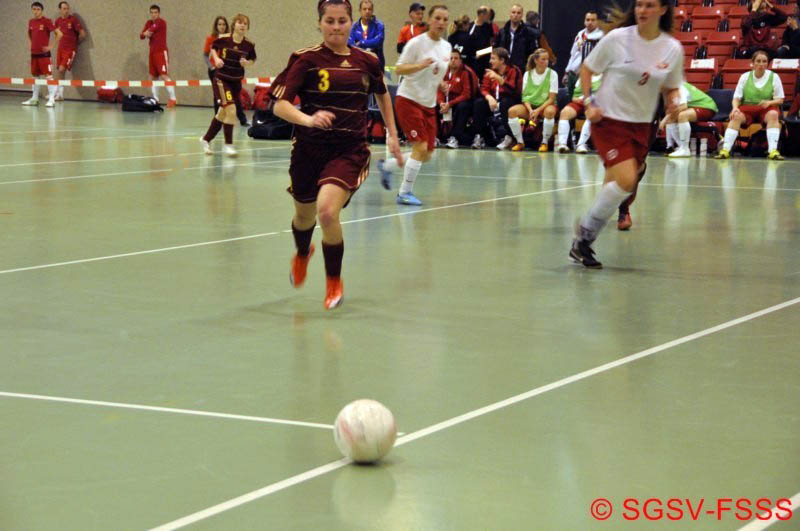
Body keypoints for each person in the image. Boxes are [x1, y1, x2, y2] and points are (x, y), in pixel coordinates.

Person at [270, 0, 403, 310]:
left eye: (342, 20)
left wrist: (393, 134)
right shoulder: (305, 59)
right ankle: (303, 253)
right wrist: (308, 119)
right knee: (304, 216)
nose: (336, 27)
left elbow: (382, 94)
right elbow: (280, 105)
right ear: (320, 23)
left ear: (350, 23)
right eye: (329, 21)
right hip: (308, 150)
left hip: (348, 150)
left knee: (327, 212)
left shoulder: (366, 61)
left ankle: (333, 281)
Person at [571, 0, 683, 268]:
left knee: (615, 184)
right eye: (639, 5)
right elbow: (587, 69)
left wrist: (674, 100)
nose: (642, 10)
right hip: (609, 119)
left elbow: (671, 86)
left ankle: (583, 242)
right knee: (627, 179)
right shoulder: (618, 39)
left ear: (663, 10)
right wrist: (589, 102)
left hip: (642, 124)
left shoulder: (672, 48)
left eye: (649, 5)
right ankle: (583, 235)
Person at [379, 5, 451, 206]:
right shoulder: (416, 43)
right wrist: (419, 65)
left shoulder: (446, 47)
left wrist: (441, 83)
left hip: (429, 104)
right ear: (429, 19)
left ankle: (388, 166)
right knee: (419, 146)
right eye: (437, 18)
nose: (441, 23)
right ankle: (404, 193)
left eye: (445, 19)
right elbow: (399, 68)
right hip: (409, 100)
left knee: (426, 154)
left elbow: (436, 71)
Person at [200, 14, 256, 157]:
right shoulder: (224, 39)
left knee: (222, 113)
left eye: (245, 23)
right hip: (221, 79)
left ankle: (205, 139)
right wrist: (216, 59)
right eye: (240, 22)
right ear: (234, 25)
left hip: (236, 82)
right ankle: (228, 145)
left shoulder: (249, 45)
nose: (242, 25)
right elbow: (213, 48)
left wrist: (247, 63)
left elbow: (253, 59)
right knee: (231, 110)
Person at [715, 50, 784, 160]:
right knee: (735, 116)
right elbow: (736, 98)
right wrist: (735, 108)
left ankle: (772, 151)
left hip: (765, 108)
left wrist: (769, 102)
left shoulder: (774, 77)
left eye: (764, 61)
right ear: (753, 63)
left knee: (773, 115)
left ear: (768, 63)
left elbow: (780, 99)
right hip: (747, 108)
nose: (761, 64)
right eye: (758, 61)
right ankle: (725, 150)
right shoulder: (745, 77)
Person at [504, 48, 557, 152]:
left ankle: (544, 142)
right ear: (536, 60)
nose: (546, 61)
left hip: (545, 106)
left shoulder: (553, 74)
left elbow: (551, 99)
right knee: (512, 111)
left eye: (547, 59)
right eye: (543, 59)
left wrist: (538, 110)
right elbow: (525, 97)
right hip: (530, 107)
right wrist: (530, 110)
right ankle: (520, 142)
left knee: (550, 112)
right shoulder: (527, 74)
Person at [470, 47, 522, 150]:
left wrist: (499, 78)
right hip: (494, 101)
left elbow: (514, 91)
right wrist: (489, 97)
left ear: (502, 60)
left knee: (505, 103)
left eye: (493, 58)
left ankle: (509, 137)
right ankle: (480, 136)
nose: (490, 61)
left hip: (511, 100)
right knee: (479, 103)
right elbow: (484, 88)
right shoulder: (490, 71)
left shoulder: (514, 70)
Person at [204, 16, 249, 125]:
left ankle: (242, 119)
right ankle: (218, 120)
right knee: (217, 96)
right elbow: (206, 55)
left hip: (229, 70)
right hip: (215, 70)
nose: (222, 27)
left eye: (224, 24)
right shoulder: (211, 38)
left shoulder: (230, 38)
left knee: (235, 96)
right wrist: (212, 66)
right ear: (216, 26)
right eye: (219, 24)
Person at [659, 81, 718, 158]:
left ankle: (685, 149)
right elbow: (671, 110)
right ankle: (674, 147)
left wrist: (664, 120)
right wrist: (667, 118)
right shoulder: (669, 91)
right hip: (695, 107)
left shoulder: (680, 87)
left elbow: (683, 106)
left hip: (707, 106)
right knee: (671, 117)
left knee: (683, 115)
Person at [438, 50, 479, 148]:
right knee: (432, 105)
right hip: (448, 101)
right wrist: (441, 103)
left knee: (462, 106)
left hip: (465, 102)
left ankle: (454, 138)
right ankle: (436, 136)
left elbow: (467, 94)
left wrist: (450, 104)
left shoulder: (466, 72)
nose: (453, 60)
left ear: (461, 61)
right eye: (451, 58)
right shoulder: (444, 72)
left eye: (456, 58)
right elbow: (439, 91)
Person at [24, 2, 60, 107]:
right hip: (34, 54)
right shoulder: (31, 22)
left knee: (48, 76)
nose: (36, 11)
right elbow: (29, 34)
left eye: (38, 9)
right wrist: (32, 44)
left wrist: (51, 46)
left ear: (41, 10)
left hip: (44, 55)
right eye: (34, 9)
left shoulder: (46, 21)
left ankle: (52, 99)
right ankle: (34, 99)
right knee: (35, 77)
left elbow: (59, 34)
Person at [140, 4, 177, 107]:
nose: (153, 14)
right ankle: (155, 99)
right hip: (152, 53)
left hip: (161, 52)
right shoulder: (148, 22)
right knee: (153, 76)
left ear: (159, 13)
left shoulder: (161, 22)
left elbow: (149, 31)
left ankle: (173, 98)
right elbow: (141, 36)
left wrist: (147, 32)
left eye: (155, 12)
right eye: (152, 12)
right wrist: (145, 33)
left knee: (164, 75)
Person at [556, 73, 602, 154]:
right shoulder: (583, 76)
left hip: (595, 104)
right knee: (564, 113)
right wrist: (576, 99)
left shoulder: (605, 77)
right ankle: (562, 144)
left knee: (591, 114)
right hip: (580, 102)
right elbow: (573, 96)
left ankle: (581, 144)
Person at [564, 10, 604, 99]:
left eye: (593, 20)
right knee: (571, 100)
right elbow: (573, 54)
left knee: (585, 100)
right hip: (574, 73)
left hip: (588, 74)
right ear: (584, 21)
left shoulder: (600, 36)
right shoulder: (580, 34)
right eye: (588, 20)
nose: (590, 22)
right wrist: (567, 71)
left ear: (597, 22)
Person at [52, 1, 85, 103]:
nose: (66, 10)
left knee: (62, 69)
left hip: (70, 50)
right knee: (59, 71)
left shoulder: (73, 19)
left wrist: (75, 44)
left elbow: (82, 34)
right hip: (60, 49)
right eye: (64, 8)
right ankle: (60, 95)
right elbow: (56, 34)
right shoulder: (57, 21)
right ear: (60, 10)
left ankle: (56, 93)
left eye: (67, 8)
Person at [493, 4, 540, 74]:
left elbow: (532, 52)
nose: (515, 15)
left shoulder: (528, 33)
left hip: (520, 69)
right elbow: (496, 49)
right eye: (513, 12)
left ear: (522, 15)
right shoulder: (502, 32)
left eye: (518, 13)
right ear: (510, 14)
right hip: (503, 68)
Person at [348, 0, 385, 70]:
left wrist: (361, 43)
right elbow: (351, 45)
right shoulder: (353, 27)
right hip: (359, 65)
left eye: (369, 9)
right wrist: (368, 44)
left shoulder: (379, 25)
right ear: (360, 11)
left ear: (372, 11)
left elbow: (378, 41)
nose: (367, 11)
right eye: (364, 9)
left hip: (376, 66)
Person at [466, 6, 494, 79]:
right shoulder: (470, 26)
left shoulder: (488, 27)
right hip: (471, 60)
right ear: (482, 15)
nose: (489, 17)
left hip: (484, 60)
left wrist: (481, 52)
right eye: (488, 15)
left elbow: (492, 44)